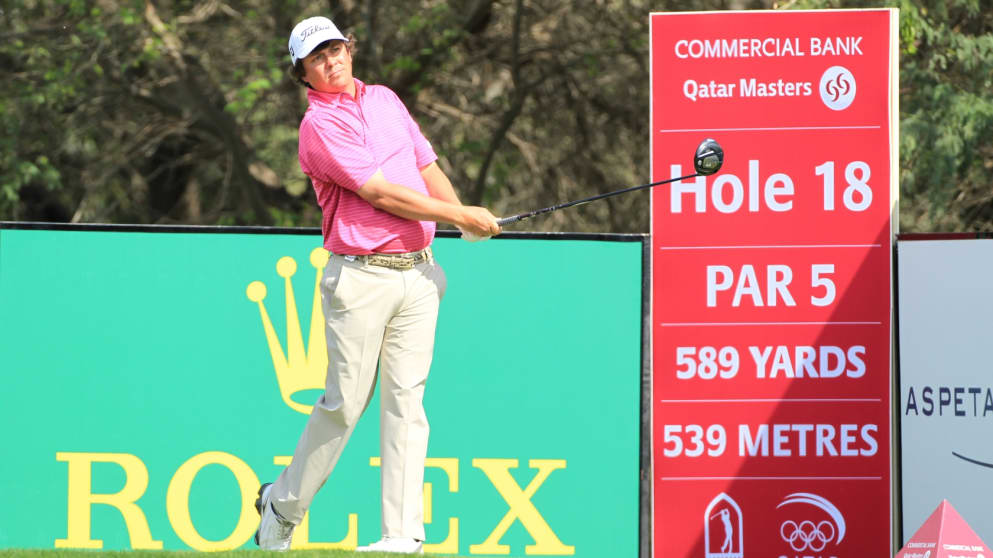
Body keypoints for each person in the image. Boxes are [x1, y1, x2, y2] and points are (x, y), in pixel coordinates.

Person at [254, 15, 502, 554]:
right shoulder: (317, 127)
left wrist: (461, 216)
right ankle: (283, 504)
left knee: (407, 405)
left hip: (418, 272)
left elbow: (424, 162)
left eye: (337, 49)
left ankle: (402, 535)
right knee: (344, 406)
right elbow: (382, 193)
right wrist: (466, 215)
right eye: (318, 58)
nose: (332, 61)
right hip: (360, 277)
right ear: (303, 74)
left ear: (350, 49)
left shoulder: (386, 99)